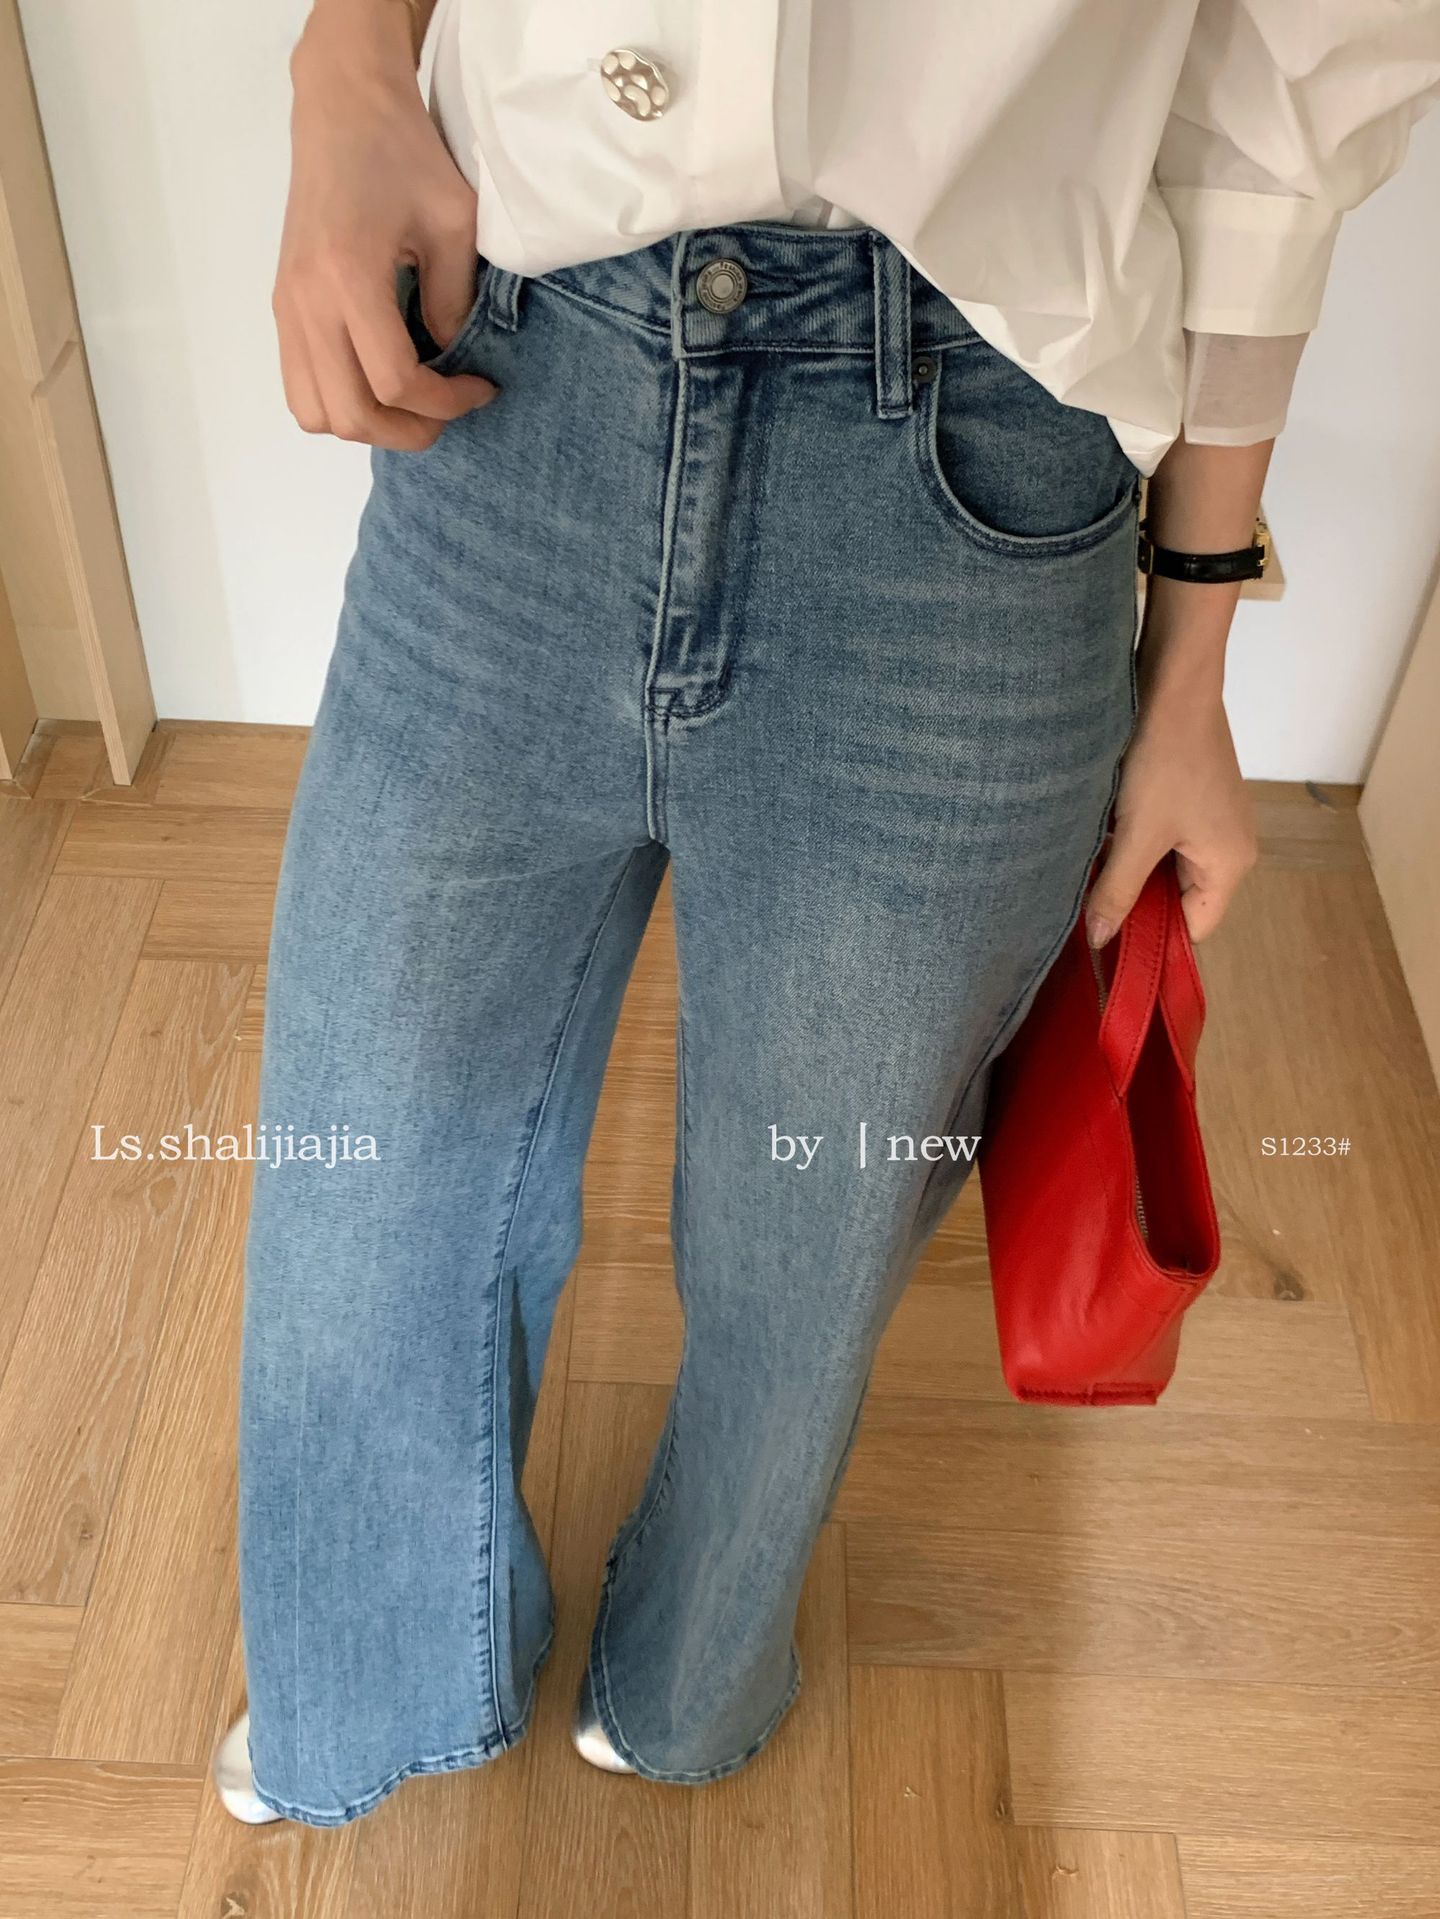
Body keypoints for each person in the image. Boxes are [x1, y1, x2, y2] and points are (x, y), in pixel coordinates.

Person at [213, 0, 1440, 1825]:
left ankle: (693, 1671)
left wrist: (1191, 658)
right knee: (366, 1174)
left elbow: (1290, 75)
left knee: (813, 1233)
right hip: (525, 367)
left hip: (971, 480)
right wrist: (346, 64)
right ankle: (375, 1665)